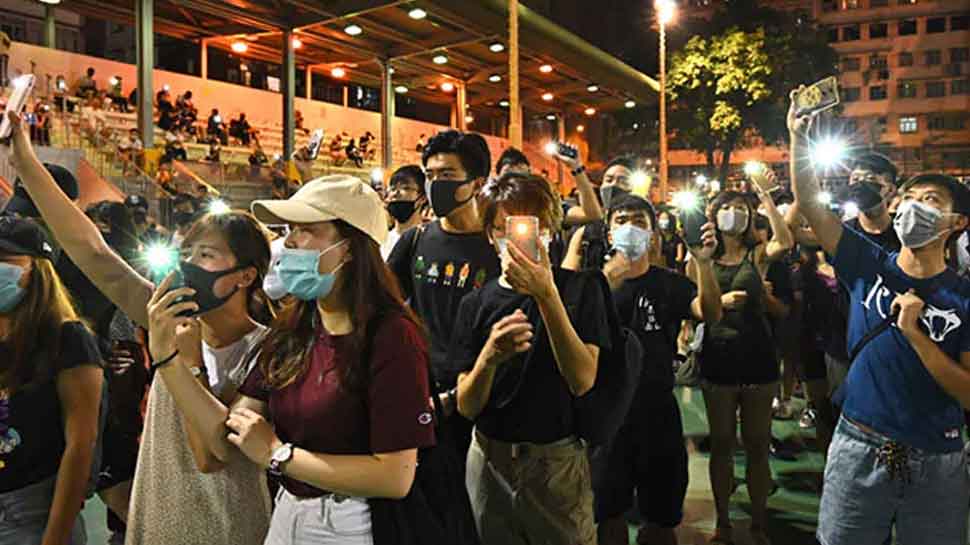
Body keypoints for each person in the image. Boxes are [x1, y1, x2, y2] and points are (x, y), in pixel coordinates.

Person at [4, 110, 276, 544]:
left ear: (246, 275)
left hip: (228, 524)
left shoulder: (268, 350)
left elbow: (216, 453)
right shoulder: (164, 312)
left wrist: (180, 359)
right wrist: (24, 161)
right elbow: (91, 251)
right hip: (157, 518)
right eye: (187, 253)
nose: (190, 265)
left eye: (206, 255)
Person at [148, 176, 435, 544]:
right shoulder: (294, 329)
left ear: (349, 248)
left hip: (352, 523)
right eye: (289, 230)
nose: (290, 243)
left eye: (306, 230)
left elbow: (395, 476)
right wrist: (169, 359)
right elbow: (224, 441)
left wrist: (278, 454)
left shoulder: (391, 337)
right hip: (288, 511)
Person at [789, 89, 970, 545]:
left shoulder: (964, 297)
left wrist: (916, 334)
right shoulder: (865, 261)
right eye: (908, 197)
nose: (914, 207)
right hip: (858, 446)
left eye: (930, 200)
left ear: (956, 223)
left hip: (938, 460)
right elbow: (809, 203)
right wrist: (798, 139)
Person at [451, 172, 608, 545]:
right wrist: (489, 357)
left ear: (550, 231)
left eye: (530, 226)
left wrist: (546, 295)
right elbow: (466, 405)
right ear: (491, 235)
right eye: (506, 228)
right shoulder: (475, 303)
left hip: (555, 462)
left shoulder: (582, 290)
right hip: (489, 457)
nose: (520, 239)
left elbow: (582, 379)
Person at [594, 194, 722, 545]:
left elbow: (710, 313)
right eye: (621, 221)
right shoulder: (593, 285)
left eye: (639, 221)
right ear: (608, 233)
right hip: (607, 414)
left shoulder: (669, 283)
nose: (630, 228)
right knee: (607, 515)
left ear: (653, 234)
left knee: (662, 518)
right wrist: (607, 279)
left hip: (658, 411)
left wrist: (704, 264)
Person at [387, 130, 501, 465]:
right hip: (422, 390)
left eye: (447, 175)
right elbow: (383, 302)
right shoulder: (416, 241)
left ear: (477, 183)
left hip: (481, 390)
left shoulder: (496, 247)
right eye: (430, 176)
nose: (436, 185)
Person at [701, 172, 793, 545]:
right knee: (721, 442)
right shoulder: (701, 255)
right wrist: (717, 303)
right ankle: (722, 521)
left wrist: (766, 199)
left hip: (758, 359)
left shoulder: (759, 255)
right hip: (718, 360)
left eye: (740, 208)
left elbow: (784, 240)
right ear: (714, 214)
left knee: (756, 443)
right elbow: (699, 305)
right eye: (726, 207)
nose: (733, 213)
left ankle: (758, 523)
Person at [0, 216, 104, 545]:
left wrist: (55, 537)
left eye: (6, 258)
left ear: (38, 269)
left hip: (31, 513)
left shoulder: (67, 338)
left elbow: (80, 445)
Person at [562, 156, 640, 271]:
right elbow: (568, 271)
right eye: (609, 180)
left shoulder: (641, 229)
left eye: (622, 181)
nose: (614, 185)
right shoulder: (584, 232)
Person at [381, 165, 427, 260]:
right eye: (392, 189)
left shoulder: (428, 239)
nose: (396, 193)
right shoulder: (381, 241)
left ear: (422, 198)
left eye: (405, 188)